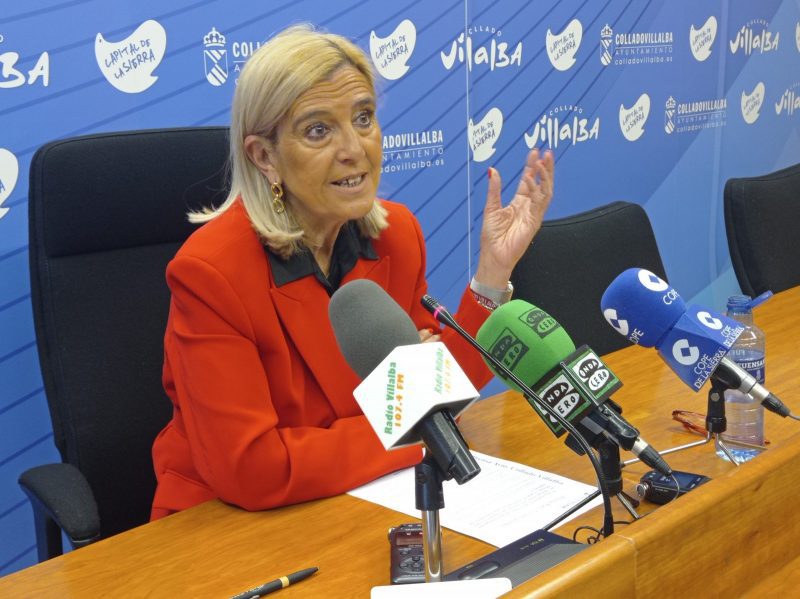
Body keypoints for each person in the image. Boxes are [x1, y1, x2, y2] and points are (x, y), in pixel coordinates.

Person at [150, 24, 554, 520]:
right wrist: (414, 427)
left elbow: (436, 395)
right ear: (264, 156)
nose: (355, 149)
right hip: (225, 524)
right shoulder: (212, 273)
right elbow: (253, 468)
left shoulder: (395, 235)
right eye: (318, 130)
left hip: (361, 495)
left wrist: (493, 271)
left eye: (363, 118)